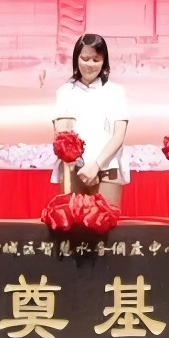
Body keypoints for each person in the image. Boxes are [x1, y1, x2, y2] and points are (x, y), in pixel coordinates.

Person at [54, 32, 129, 207]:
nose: (90, 64)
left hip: (107, 170)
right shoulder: (65, 92)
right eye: (85, 58)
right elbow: (62, 135)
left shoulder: (116, 93)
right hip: (73, 171)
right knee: (72, 222)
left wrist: (95, 166)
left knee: (105, 221)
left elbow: (119, 136)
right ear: (76, 58)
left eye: (96, 60)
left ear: (104, 61)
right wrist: (82, 166)